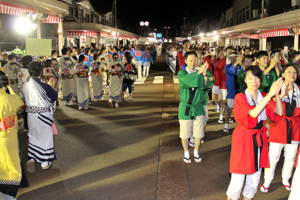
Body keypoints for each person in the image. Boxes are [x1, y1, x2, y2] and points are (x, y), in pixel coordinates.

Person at [226, 66, 283, 200]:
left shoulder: (263, 96)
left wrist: (276, 96)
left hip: (259, 139)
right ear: (245, 80)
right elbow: (252, 113)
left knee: (254, 180)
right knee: (237, 181)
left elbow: (279, 113)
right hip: (243, 139)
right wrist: (269, 96)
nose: (254, 81)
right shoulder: (240, 97)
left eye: (257, 77)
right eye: (250, 78)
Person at [261, 64, 300, 193]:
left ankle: (285, 179)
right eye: (288, 71)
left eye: (294, 72)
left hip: (294, 127)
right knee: (273, 156)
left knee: (291, 156)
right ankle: (267, 181)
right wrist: (282, 95)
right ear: (282, 74)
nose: (292, 74)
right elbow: (269, 106)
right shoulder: (276, 88)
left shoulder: (299, 89)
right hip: (279, 125)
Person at [23, 62, 57, 173]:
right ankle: (44, 162)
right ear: (41, 72)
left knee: (33, 135)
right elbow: (53, 97)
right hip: (43, 115)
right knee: (45, 137)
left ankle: (32, 157)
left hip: (31, 115)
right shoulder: (44, 86)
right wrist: (51, 85)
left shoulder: (25, 85)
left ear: (29, 73)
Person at [178, 51, 212, 163]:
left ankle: (196, 152)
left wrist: (205, 75)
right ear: (186, 61)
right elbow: (185, 82)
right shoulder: (182, 73)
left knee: (199, 132)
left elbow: (205, 86)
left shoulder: (200, 72)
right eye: (190, 60)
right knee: (185, 133)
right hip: (185, 107)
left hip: (198, 107)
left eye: (195, 60)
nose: (193, 62)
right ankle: (186, 152)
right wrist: (199, 73)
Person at [0, 71, 24, 200]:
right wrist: (9, 87)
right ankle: (9, 195)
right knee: (12, 164)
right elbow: (19, 102)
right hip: (9, 137)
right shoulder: (10, 98)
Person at [223, 52, 243, 132]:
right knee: (229, 109)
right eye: (231, 58)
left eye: (235, 58)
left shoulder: (240, 67)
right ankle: (226, 125)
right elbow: (232, 71)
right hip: (231, 91)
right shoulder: (227, 66)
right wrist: (238, 62)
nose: (233, 59)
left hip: (240, 90)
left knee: (240, 110)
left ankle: (240, 126)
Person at [218, 46, 234, 124]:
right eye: (228, 52)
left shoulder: (235, 61)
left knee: (230, 101)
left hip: (232, 84)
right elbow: (220, 71)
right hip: (224, 83)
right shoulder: (222, 60)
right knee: (223, 100)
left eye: (231, 52)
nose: (229, 54)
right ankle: (221, 115)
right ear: (226, 52)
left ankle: (229, 116)